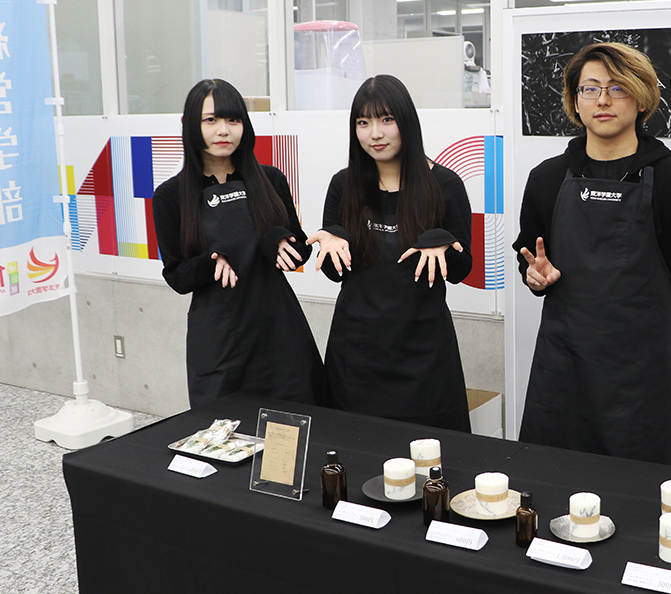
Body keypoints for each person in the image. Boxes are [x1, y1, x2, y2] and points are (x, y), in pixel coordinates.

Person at [513, 42, 671, 463]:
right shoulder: (547, 178)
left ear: (642, 97)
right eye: (590, 89)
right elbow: (531, 260)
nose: (603, 100)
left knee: (633, 484)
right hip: (563, 365)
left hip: (637, 373)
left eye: (617, 88)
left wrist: (647, 325)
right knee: (550, 472)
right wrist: (536, 279)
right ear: (575, 101)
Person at [308, 75, 472, 432]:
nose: (375, 134)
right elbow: (335, 274)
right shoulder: (343, 184)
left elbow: (463, 269)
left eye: (386, 119)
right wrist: (331, 246)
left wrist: (443, 244)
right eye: (363, 122)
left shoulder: (444, 185)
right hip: (357, 352)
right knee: (354, 447)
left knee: (431, 452)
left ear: (406, 122)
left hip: (424, 353)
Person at [153, 78, 326, 407]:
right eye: (210, 120)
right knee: (226, 426)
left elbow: (300, 251)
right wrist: (210, 261)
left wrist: (278, 238)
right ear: (189, 124)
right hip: (219, 337)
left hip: (279, 329)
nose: (224, 130)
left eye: (233, 120)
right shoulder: (170, 195)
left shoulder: (270, 179)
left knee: (293, 420)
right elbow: (177, 276)